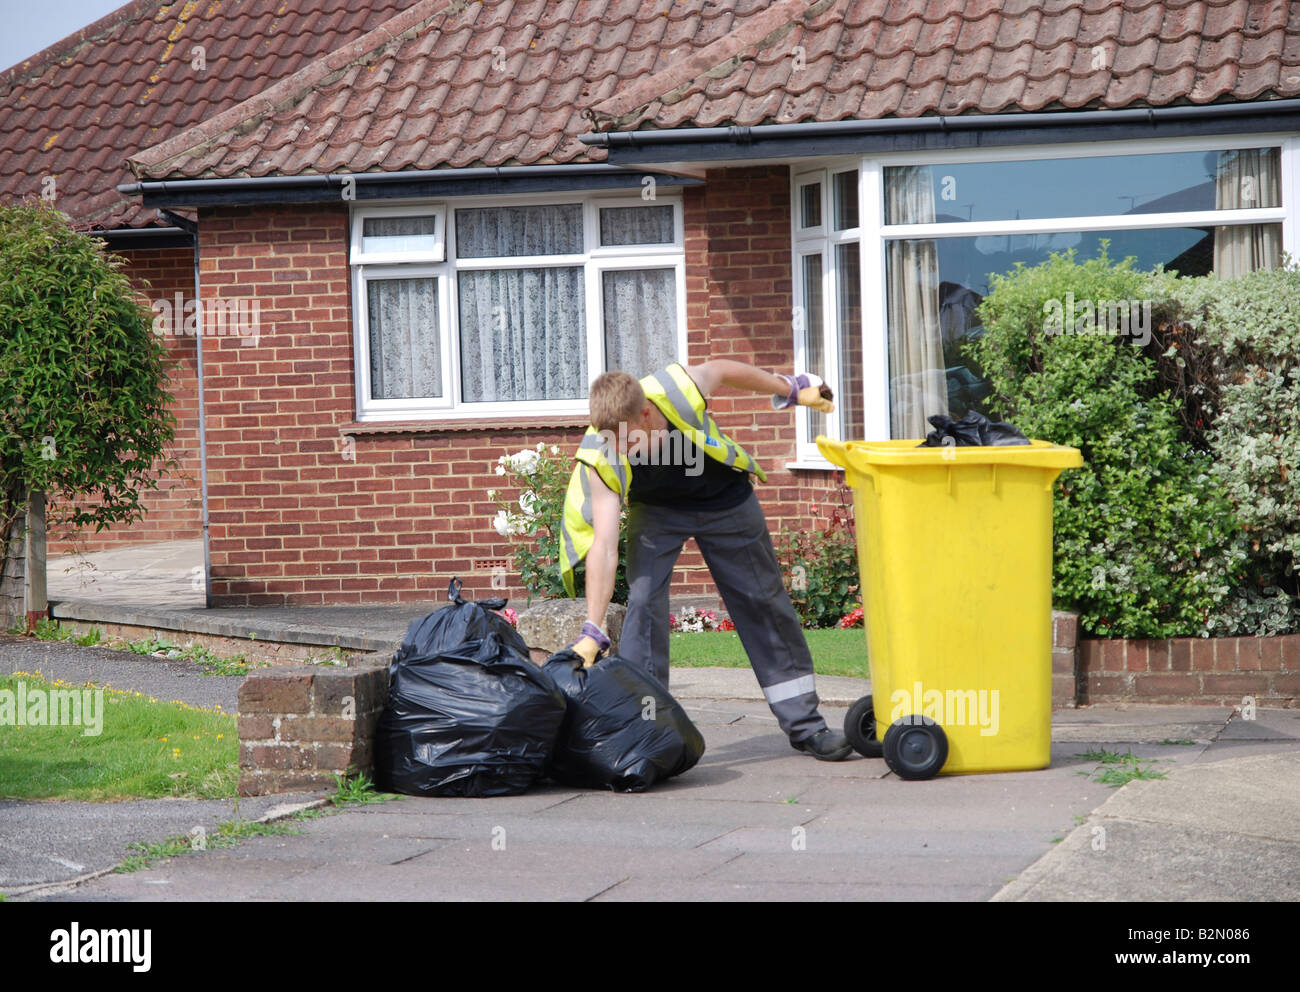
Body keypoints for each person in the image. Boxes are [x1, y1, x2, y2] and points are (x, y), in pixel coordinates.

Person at [557, 359, 853, 761]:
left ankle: (807, 726)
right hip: (657, 511)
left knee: (763, 602)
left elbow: (725, 370)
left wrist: (789, 387)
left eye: (628, 441)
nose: (621, 450)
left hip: (725, 500)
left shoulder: (678, 388)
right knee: (643, 604)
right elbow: (604, 545)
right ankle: (647, 734)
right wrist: (593, 628)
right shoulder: (601, 450)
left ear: (646, 413)